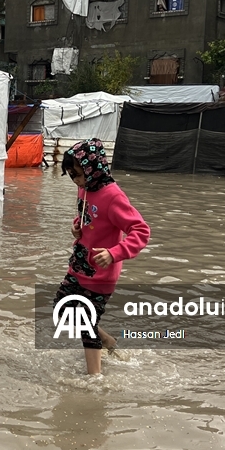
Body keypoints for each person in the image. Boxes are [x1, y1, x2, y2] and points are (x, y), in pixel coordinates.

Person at [56, 138, 150, 376]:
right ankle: (107, 341)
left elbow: (141, 231)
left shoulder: (113, 197)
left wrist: (113, 253)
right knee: (62, 308)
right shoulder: (85, 187)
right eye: (71, 175)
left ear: (93, 169)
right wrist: (76, 226)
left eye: (77, 174)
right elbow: (86, 216)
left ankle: (95, 380)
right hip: (78, 265)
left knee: (86, 324)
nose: (76, 181)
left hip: (101, 275)